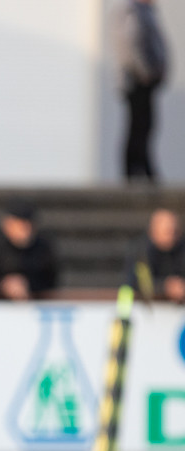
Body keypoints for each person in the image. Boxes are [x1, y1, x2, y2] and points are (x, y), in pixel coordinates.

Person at [116, 0, 169, 183]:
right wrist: (145, 71)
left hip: (144, 82)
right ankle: (135, 173)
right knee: (139, 127)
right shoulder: (133, 13)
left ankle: (146, 172)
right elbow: (132, 43)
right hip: (138, 83)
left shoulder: (145, 12)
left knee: (145, 127)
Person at [0, 199, 59, 300]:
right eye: (20, 225)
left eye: (28, 225)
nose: (25, 230)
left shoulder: (43, 248)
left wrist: (28, 286)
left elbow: (51, 281)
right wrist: (2, 286)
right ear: (7, 224)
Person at [126, 207, 184, 303]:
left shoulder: (182, 247)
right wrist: (165, 287)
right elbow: (136, 283)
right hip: (149, 311)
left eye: (175, 231)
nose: (172, 235)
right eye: (167, 231)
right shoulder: (141, 251)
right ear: (153, 231)